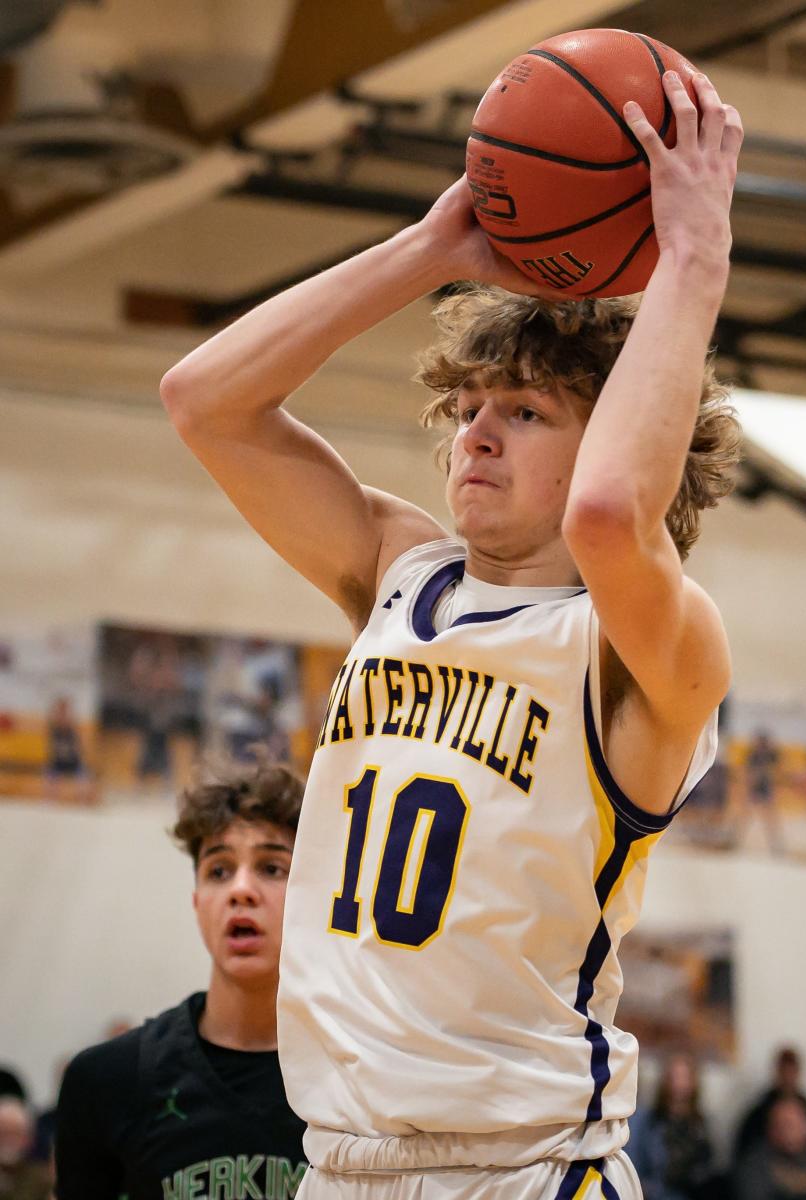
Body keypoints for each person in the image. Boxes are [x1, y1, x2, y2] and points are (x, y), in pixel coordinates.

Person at [160, 68, 743, 1200]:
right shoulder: (400, 574)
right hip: (339, 1165)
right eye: (468, 408)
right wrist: (428, 252)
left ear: (616, 439)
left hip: (527, 1174)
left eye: (523, 412)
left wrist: (695, 260)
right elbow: (204, 401)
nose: (476, 433)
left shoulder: (645, 652)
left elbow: (611, 516)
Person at [54, 761, 308, 1199]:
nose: (240, 890)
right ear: (197, 902)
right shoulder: (105, 1082)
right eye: (219, 870)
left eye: (271, 868)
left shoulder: (361, 1083)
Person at [625, 1053, 714, 1200]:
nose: (679, 1085)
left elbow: (704, 1171)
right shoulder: (649, 1122)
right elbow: (639, 1164)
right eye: (674, 1077)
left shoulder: (700, 1126)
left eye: (684, 1077)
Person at [735, 1046, 806, 1165]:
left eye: (792, 1072)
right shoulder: (758, 1117)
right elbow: (744, 1152)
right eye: (784, 1072)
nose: (788, 1078)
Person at [733, 1098, 806, 1200]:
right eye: (783, 1125)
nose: (788, 1132)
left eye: (794, 1125)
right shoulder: (754, 1164)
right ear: (771, 1129)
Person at [0, 1097, 49, 1200]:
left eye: (15, 1133)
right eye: (3, 1133)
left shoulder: (42, 1179)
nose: (9, 1140)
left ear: (29, 1139)